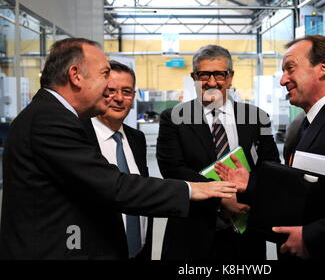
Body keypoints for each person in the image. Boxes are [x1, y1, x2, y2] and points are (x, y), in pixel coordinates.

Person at [0, 38, 236, 259]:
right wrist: (192, 189)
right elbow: (114, 187)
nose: (110, 90)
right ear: (75, 76)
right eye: (104, 75)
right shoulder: (51, 119)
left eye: (126, 91)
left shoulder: (49, 114)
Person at [216, 35, 325, 259]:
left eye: (290, 68)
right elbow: (305, 192)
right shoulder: (307, 123)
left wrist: (311, 235)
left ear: (323, 68)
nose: (283, 80)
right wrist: (252, 185)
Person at [156, 44, 280, 260]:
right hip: (194, 231)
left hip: (245, 228)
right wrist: (222, 199)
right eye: (204, 74)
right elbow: (172, 168)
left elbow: (270, 166)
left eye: (219, 75)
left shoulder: (257, 117)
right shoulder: (173, 118)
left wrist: (247, 193)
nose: (212, 82)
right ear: (194, 77)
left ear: (230, 77)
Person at [82, 60, 153, 259]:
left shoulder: (136, 138)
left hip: (140, 251)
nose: (119, 99)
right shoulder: (79, 136)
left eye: (127, 91)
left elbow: (142, 191)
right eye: (110, 91)